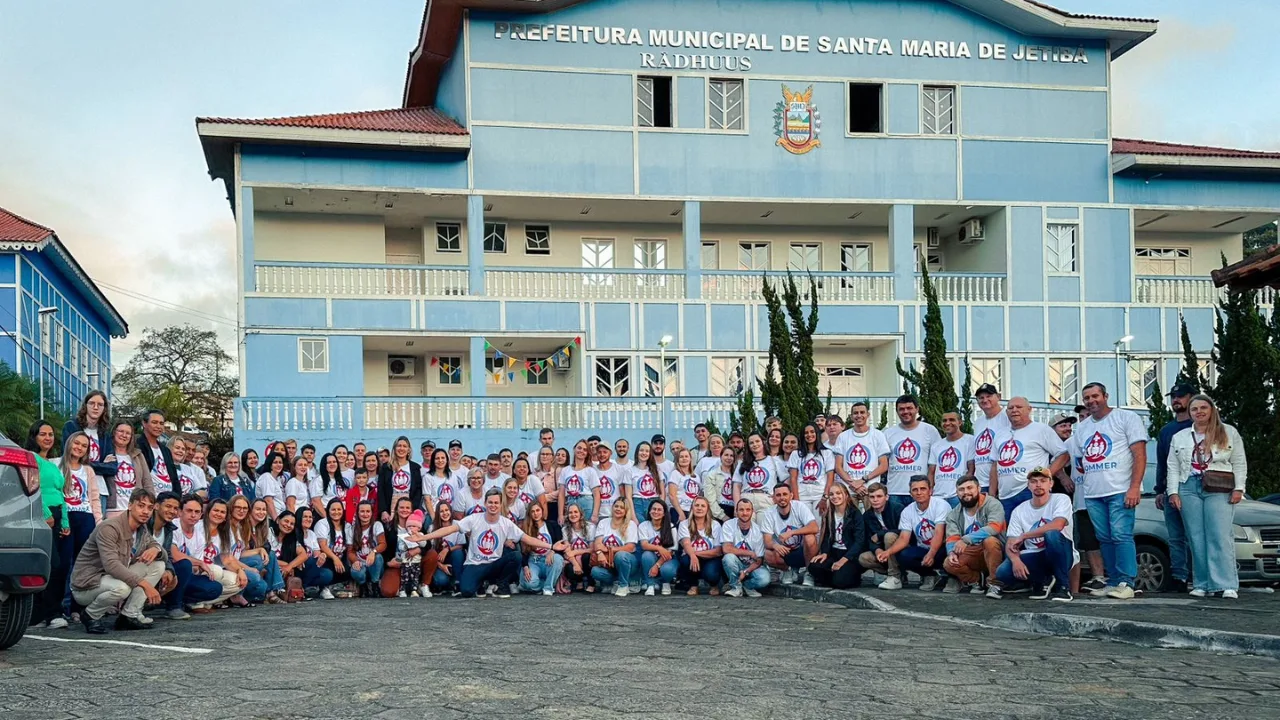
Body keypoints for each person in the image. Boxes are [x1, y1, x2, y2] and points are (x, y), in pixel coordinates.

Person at [1168, 394, 1248, 599]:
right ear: (1190, 412)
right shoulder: (1181, 436)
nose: (1199, 412)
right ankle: (1203, 583)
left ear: (1212, 409)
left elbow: (1239, 462)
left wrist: (1239, 488)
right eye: (1194, 409)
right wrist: (1173, 492)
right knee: (1195, 537)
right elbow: (1173, 466)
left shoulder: (1228, 432)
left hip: (1219, 486)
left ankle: (1226, 583)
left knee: (1219, 535)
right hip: (1188, 486)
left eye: (1204, 407)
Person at [1072, 383, 1147, 600]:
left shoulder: (1126, 418)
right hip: (1094, 492)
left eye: (1095, 396)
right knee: (1104, 538)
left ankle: (1126, 582)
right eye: (1086, 397)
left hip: (1121, 489)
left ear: (1106, 395)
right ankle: (1113, 581)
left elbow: (1139, 454)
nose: (1091, 400)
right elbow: (1079, 457)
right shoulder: (1083, 427)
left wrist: (1134, 487)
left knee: (1121, 534)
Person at [420, 489, 554, 598]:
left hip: (494, 564)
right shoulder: (473, 519)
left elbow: (527, 538)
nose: (493, 505)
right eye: (490, 502)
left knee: (516, 556)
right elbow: (449, 529)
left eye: (496, 503)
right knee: (466, 592)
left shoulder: (506, 523)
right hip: (475, 564)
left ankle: (501, 585)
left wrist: (551, 546)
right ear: (485, 503)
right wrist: (423, 537)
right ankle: (479, 583)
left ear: (500, 504)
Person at [70, 489, 165, 633]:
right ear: (130, 505)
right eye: (141, 505)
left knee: (158, 565)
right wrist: (146, 585)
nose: (145, 511)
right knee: (122, 588)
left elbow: (158, 549)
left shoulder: (142, 529)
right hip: (86, 585)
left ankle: (129, 616)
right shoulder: (110, 527)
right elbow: (111, 565)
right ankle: (90, 615)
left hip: (110, 579)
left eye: (150, 508)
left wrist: (155, 549)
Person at [992, 469, 1075, 602]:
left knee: (1051, 535)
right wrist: (1015, 560)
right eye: (1033, 481)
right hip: (1036, 555)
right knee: (1002, 572)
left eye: (1043, 481)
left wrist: (1024, 536)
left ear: (1051, 484)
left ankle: (1063, 587)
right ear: (1028, 485)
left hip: (1063, 553)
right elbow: (1011, 542)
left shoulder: (1061, 499)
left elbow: (1058, 525)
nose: (1038, 484)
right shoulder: (1019, 510)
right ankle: (1042, 581)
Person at [1051, 414, 1106, 595]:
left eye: (1069, 425)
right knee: (1073, 543)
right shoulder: (1051, 447)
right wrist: (1063, 476)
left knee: (1089, 540)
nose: (1067, 428)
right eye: (1062, 426)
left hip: (1083, 499)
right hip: (1062, 505)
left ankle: (1096, 578)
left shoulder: (1079, 441)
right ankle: (1067, 586)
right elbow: (1052, 464)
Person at [989, 397, 1068, 520]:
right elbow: (995, 465)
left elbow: (1063, 455)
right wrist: (992, 494)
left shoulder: (1041, 429)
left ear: (1029, 409)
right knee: (1012, 535)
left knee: (1034, 534)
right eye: (1010, 408)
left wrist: (1043, 478)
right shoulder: (1000, 434)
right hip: (1005, 495)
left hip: (1030, 491)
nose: (1014, 410)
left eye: (1019, 407)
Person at [58, 431, 104, 619]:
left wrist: (98, 522)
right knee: (63, 564)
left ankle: (76, 607)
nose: (79, 447)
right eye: (76, 443)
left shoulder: (88, 470)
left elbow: (94, 498)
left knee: (82, 565)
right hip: (65, 517)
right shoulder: (56, 465)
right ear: (69, 443)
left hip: (85, 518)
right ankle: (59, 606)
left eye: (84, 446)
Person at [1155, 384, 1196, 594]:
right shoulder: (1167, 430)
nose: (1176, 400)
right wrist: (1160, 490)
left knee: (1197, 534)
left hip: (1196, 488)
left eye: (1181, 396)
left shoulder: (1201, 425)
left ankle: (1200, 577)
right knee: (1175, 537)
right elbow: (1162, 463)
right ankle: (1178, 577)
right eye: (1173, 397)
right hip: (1172, 489)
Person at [169, 495, 241, 614]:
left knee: (217, 587)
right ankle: (175, 605)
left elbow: (226, 559)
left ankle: (192, 601)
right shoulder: (173, 526)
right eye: (189, 511)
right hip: (171, 571)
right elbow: (175, 555)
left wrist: (240, 570)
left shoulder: (201, 536)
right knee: (188, 565)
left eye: (197, 512)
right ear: (180, 512)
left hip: (190, 574)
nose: (193, 515)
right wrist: (200, 564)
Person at [877, 476, 949, 591]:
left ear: (930, 491)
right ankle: (929, 576)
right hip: (923, 548)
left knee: (952, 550)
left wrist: (931, 554)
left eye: (923, 489)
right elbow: (904, 539)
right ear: (910, 493)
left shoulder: (940, 505)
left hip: (942, 548)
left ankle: (953, 578)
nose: (919, 493)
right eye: (915, 490)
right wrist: (888, 552)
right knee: (903, 555)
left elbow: (939, 533)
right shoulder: (907, 511)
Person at [941, 475, 1006, 594]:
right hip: (973, 552)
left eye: (969, 488)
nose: (966, 492)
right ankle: (977, 580)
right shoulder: (953, 514)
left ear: (979, 488)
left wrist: (966, 539)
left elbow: (995, 527)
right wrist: (951, 552)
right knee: (949, 563)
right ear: (957, 493)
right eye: (961, 489)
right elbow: (952, 537)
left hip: (997, 550)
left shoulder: (993, 504)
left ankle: (995, 584)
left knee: (989, 541)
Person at [882, 395, 942, 505]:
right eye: (901, 409)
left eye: (909, 408)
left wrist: (931, 486)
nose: (905, 412)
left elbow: (937, 462)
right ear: (897, 411)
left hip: (921, 490)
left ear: (917, 409)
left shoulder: (929, 430)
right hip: (895, 491)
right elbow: (882, 463)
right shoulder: (888, 433)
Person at [806, 483, 865, 589]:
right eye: (831, 494)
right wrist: (824, 553)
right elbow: (827, 537)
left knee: (839, 581)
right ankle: (835, 577)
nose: (835, 497)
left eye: (838, 493)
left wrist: (843, 560)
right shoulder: (829, 514)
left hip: (849, 555)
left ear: (846, 495)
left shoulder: (855, 514)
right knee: (813, 566)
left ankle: (847, 577)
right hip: (834, 552)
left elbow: (859, 542)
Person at [761, 483, 819, 586]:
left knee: (810, 537)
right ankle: (788, 570)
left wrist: (791, 532)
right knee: (767, 554)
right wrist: (775, 545)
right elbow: (767, 541)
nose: (782, 498)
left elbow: (814, 527)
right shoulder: (769, 513)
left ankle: (809, 572)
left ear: (791, 496)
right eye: (778, 495)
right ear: (773, 498)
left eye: (785, 494)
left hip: (803, 551)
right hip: (785, 552)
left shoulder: (799, 506)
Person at [832, 402, 890, 496]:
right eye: (855, 413)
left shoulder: (878, 435)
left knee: (873, 511)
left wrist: (863, 480)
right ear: (851, 416)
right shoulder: (843, 437)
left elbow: (883, 465)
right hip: (849, 489)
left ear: (868, 414)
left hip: (871, 490)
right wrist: (853, 484)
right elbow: (838, 466)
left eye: (862, 412)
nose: (859, 415)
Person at [719, 499, 770, 598]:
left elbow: (759, 560)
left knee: (765, 578)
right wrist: (750, 553)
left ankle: (747, 587)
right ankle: (736, 587)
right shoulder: (728, 525)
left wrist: (746, 572)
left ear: (752, 512)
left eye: (748, 510)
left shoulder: (758, 530)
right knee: (728, 558)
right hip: (735, 564)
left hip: (751, 566)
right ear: (736, 511)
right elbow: (726, 549)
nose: (745, 513)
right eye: (741, 510)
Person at [102, 420, 153, 517]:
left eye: (128, 433)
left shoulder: (138, 455)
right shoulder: (105, 452)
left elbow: (147, 481)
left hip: (136, 509)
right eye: (121, 431)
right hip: (113, 510)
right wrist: (104, 465)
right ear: (114, 432)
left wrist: (149, 504)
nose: (124, 435)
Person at [858, 483, 905, 588]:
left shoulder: (897, 509)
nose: (875, 500)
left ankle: (895, 577)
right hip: (883, 550)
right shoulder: (867, 516)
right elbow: (868, 539)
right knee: (863, 558)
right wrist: (877, 550)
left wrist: (880, 534)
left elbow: (905, 532)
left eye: (879, 496)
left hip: (901, 547)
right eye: (872, 497)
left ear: (886, 497)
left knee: (889, 536)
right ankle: (897, 574)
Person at [590, 498, 640, 596]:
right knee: (595, 571)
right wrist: (599, 553)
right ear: (612, 507)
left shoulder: (631, 524)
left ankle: (623, 585)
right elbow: (598, 543)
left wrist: (611, 550)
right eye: (616, 506)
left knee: (620, 555)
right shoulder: (603, 522)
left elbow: (630, 547)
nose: (618, 509)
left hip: (627, 562)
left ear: (626, 511)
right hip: (609, 564)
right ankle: (615, 582)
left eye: (622, 507)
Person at [928, 411, 975, 507]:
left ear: (960, 422)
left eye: (952, 420)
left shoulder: (970, 440)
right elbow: (931, 471)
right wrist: (930, 490)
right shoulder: (936, 446)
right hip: (938, 496)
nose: (947, 423)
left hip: (958, 495)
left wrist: (965, 490)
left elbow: (971, 468)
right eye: (944, 420)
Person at [678, 497, 722, 596]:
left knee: (712, 573)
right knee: (686, 560)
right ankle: (693, 585)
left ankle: (714, 585)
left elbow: (718, 551)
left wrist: (695, 554)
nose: (699, 508)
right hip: (691, 557)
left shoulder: (715, 525)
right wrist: (693, 556)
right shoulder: (684, 524)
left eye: (703, 506)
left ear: (707, 509)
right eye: (696, 505)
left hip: (711, 558)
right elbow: (686, 544)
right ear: (692, 508)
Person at [734, 433, 786, 514]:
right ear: (748, 446)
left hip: (766, 498)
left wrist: (779, 496)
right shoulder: (743, 463)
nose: (755, 444)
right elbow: (736, 486)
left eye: (757, 441)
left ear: (763, 442)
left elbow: (786, 480)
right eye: (751, 443)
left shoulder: (773, 461)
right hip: (746, 499)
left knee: (766, 526)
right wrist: (737, 505)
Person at [518, 502, 564, 596]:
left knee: (558, 559)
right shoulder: (526, 528)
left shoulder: (553, 525)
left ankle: (548, 588)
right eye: (533, 511)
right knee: (529, 584)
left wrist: (552, 551)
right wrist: (525, 566)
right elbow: (524, 551)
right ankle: (547, 583)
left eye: (538, 510)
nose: (536, 513)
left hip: (548, 560)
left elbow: (560, 544)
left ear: (542, 511)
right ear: (529, 514)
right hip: (533, 561)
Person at [971, 384, 1010, 492]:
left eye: (989, 396)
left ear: (998, 397)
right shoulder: (978, 422)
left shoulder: (1007, 417)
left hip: (1001, 481)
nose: (985, 400)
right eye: (981, 397)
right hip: (981, 482)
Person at [788, 423, 833, 515]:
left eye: (812, 432)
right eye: (806, 433)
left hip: (820, 495)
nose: (809, 435)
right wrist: (796, 500)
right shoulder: (796, 454)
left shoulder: (827, 453)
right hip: (802, 495)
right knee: (804, 525)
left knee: (820, 527)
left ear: (817, 433)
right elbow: (793, 478)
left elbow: (830, 477)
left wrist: (825, 497)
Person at [378, 436, 425, 524]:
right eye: (399, 446)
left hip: (409, 508)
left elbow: (418, 491)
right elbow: (381, 491)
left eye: (404, 446)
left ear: (409, 450)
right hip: (390, 509)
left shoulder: (415, 468)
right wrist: (383, 511)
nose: (401, 448)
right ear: (394, 448)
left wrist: (413, 509)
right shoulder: (386, 467)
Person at [345, 500, 386, 597]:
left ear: (372, 513)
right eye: (362, 511)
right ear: (358, 513)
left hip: (374, 565)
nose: (365, 514)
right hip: (361, 563)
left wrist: (373, 552)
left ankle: (375, 585)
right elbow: (350, 551)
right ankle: (363, 587)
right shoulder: (352, 529)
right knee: (355, 571)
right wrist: (355, 561)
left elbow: (383, 544)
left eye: (368, 511)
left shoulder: (377, 525)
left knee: (378, 557)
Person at [637, 500, 678, 596]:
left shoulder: (671, 527)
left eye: (659, 510)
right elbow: (644, 545)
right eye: (654, 509)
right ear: (649, 511)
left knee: (667, 570)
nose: (656, 512)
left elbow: (670, 552)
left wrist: (657, 565)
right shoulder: (644, 525)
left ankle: (665, 582)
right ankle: (650, 584)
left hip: (668, 559)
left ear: (664, 513)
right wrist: (660, 548)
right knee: (646, 555)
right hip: (651, 558)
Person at [137, 410, 180, 494]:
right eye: (154, 422)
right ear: (144, 423)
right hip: (148, 498)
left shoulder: (165, 450)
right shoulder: (137, 446)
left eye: (161, 423)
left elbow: (174, 478)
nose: (158, 426)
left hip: (167, 499)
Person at [428, 502, 466, 596]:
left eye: (446, 510)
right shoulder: (432, 528)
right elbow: (429, 553)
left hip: (454, 558)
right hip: (439, 561)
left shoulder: (457, 524)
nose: (445, 513)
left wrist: (447, 549)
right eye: (441, 511)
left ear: (450, 511)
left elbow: (460, 545)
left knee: (458, 553)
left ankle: (457, 583)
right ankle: (446, 584)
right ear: (437, 513)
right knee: (441, 580)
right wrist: (441, 566)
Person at [559, 441, 600, 525]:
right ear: (574, 449)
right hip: (570, 503)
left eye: (585, 449)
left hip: (586, 503)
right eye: (579, 448)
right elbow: (561, 494)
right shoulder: (565, 470)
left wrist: (595, 514)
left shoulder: (590, 470)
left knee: (588, 532)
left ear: (587, 453)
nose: (581, 451)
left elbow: (596, 494)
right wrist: (560, 514)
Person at [315, 498, 350, 596]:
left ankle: (334, 587)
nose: (336, 512)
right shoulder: (322, 523)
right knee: (328, 573)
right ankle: (323, 588)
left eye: (339, 509)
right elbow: (322, 546)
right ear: (328, 510)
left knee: (350, 571)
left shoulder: (347, 526)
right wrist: (335, 558)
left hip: (340, 559)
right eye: (333, 510)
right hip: (326, 559)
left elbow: (349, 547)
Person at [559, 502, 594, 593]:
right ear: (567, 515)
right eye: (570, 513)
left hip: (586, 558)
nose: (573, 515)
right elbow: (567, 551)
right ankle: (579, 582)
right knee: (569, 568)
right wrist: (575, 564)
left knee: (586, 556)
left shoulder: (590, 527)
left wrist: (575, 552)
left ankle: (591, 583)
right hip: (574, 559)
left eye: (575, 512)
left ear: (580, 514)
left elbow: (592, 549)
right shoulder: (565, 529)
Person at [629, 441, 664, 523]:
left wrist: (660, 507)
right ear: (637, 452)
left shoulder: (657, 470)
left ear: (650, 454)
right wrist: (633, 516)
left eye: (647, 451)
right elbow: (628, 497)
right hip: (637, 504)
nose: (644, 453)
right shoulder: (630, 471)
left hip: (654, 503)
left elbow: (662, 493)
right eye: (641, 450)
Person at [664, 447, 700, 525]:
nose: (684, 459)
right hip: (678, 511)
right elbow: (671, 495)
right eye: (681, 457)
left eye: (686, 456)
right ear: (677, 459)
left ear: (690, 459)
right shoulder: (675, 473)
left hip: (693, 512)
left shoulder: (696, 476)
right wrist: (680, 513)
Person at [705, 445, 737, 522]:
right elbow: (710, 499)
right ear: (721, 456)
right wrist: (722, 516)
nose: (729, 458)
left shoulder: (738, 475)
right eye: (726, 455)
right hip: (718, 512)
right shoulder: (712, 475)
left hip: (735, 511)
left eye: (731, 456)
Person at [594, 443, 625, 522]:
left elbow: (622, 493)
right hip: (598, 515)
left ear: (610, 453)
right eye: (599, 452)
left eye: (605, 452)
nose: (602, 454)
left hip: (614, 514)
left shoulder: (618, 469)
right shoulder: (592, 470)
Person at [255, 452, 287, 519]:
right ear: (270, 464)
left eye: (280, 462)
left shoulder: (278, 479)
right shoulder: (266, 477)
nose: (278, 465)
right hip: (271, 518)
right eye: (275, 462)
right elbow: (268, 501)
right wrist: (276, 520)